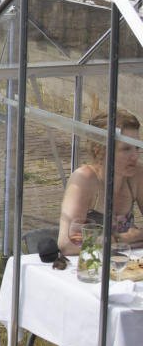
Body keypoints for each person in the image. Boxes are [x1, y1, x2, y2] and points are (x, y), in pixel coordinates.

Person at [57, 110, 143, 256]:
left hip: (126, 264)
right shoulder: (85, 179)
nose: (135, 156)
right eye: (126, 149)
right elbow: (67, 244)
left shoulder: (137, 174)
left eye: (137, 147)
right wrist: (124, 238)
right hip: (90, 267)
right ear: (100, 151)